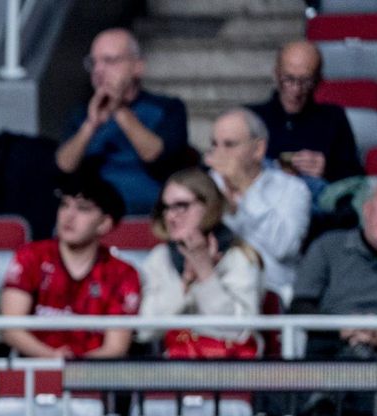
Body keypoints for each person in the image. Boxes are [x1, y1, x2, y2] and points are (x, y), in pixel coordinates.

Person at [285, 175, 377, 416]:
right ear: (367, 208)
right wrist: (344, 328)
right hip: (332, 347)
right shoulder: (327, 247)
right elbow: (300, 306)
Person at [0, 170, 140, 360]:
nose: (69, 215)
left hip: (93, 379)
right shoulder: (31, 256)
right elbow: (11, 329)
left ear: (105, 223)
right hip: (34, 373)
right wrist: (53, 359)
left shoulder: (123, 273)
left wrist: (73, 370)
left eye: (83, 208)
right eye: (64, 205)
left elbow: (116, 347)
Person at [55, 28, 188, 218]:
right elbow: (63, 168)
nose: (99, 70)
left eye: (109, 61)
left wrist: (118, 110)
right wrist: (91, 126)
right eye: (93, 62)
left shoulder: (167, 108)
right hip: (94, 218)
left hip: (151, 215)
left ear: (137, 67)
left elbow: (158, 157)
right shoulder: (82, 113)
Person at [138, 168, 263, 359]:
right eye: (166, 207)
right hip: (172, 375)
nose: (171, 216)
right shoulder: (160, 258)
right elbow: (145, 331)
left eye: (181, 206)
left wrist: (205, 272)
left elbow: (238, 333)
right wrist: (186, 284)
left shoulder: (240, 258)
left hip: (230, 374)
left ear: (209, 206)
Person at [204, 108, 311, 298]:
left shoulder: (292, 189)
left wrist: (245, 188)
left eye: (229, 145)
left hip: (272, 297)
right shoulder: (204, 186)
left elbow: (284, 248)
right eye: (214, 145)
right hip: (216, 295)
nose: (219, 154)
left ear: (258, 149)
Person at [250, 41, 363, 197]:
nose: (296, 90)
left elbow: (355, 180)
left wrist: (327, 169)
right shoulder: (251, 117)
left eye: (306, 81)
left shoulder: (333, 118)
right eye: (289, 79)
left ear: (318, 81)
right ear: (276, 75)